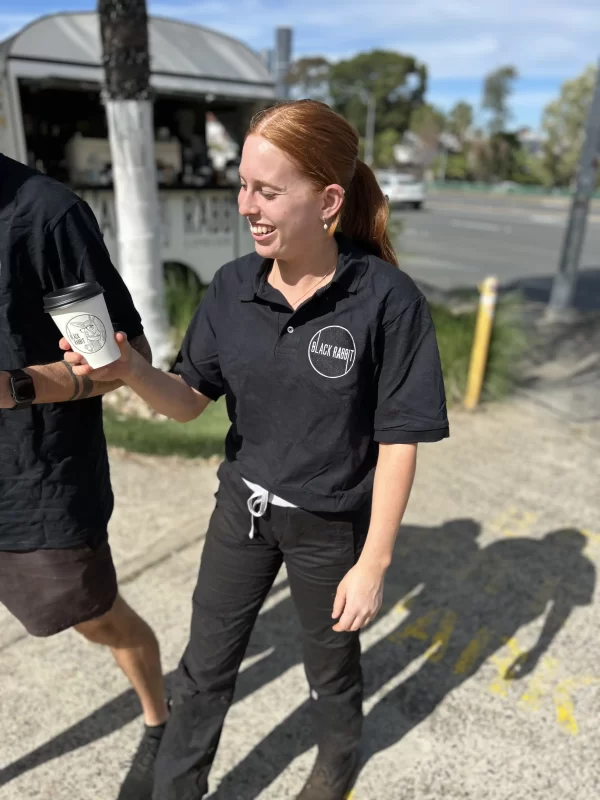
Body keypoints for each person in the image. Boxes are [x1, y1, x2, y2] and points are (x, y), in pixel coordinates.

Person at [63, 99, 449, 800]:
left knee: (329, 664)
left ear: (328, 200)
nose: (247, 205)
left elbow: (399, 440)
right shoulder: (232, 289)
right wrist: (128, 372)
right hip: (243, 509)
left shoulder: (386, 301)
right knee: (204, 669)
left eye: (266, 191)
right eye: (244, 185)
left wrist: (374, 562)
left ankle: (337, 757)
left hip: (329, 527)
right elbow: (188, 402)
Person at [0, 153, 169, 797]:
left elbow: (125, 362)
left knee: (93, 615)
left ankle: (159, 719)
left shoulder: (44, 212)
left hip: (35, 482)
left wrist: (13, 385)